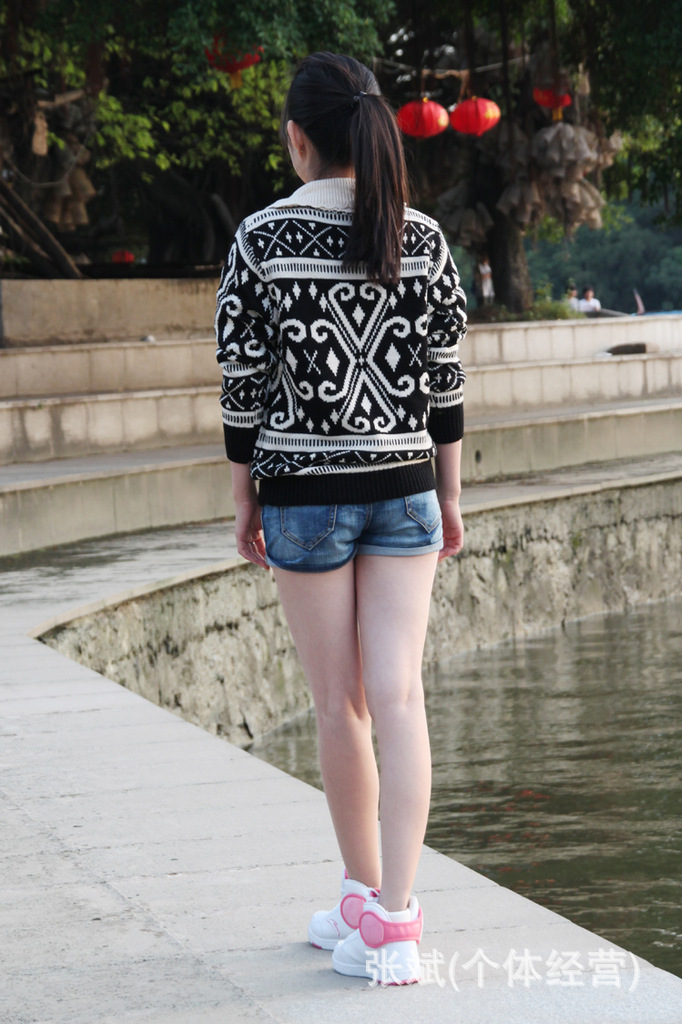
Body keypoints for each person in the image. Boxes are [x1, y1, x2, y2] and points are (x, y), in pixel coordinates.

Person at [215, 52, 466, 986]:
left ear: (298, 138)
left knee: (341, 705)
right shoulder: (423, 238)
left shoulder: (260, 239)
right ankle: (389, 916)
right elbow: (445, 385)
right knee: (399, 698)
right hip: (405, 486)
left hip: (305, 496)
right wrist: (449, 495)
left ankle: (367, 900)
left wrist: (243, 496)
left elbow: (244, 384)